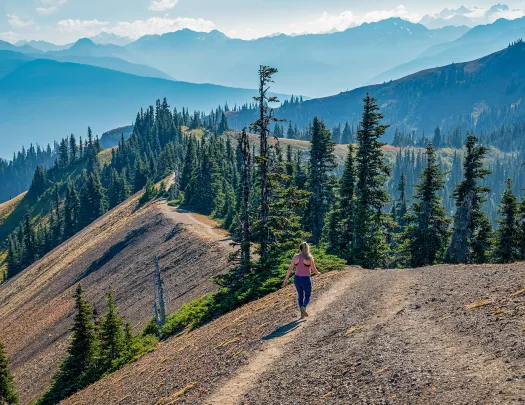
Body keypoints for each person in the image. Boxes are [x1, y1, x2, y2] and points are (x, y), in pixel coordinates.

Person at [283, 242, 321, 319]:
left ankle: (302, 314)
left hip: (297, 279)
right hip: (306, 279)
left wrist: (286, 279)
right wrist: (318, 273)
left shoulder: (295, 257)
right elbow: (313, 269)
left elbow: (290, 268)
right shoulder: (309, 257)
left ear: (300, 248)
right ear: (307, 248)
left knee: (300, 296)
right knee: (307, 295)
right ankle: (304, 307)